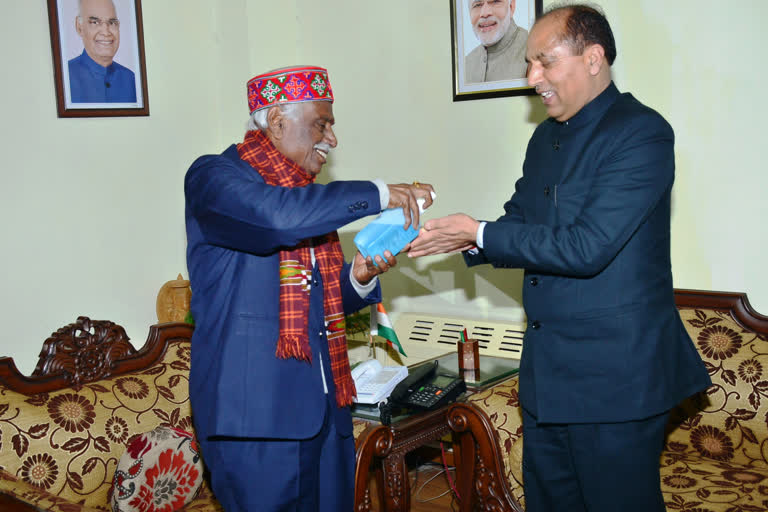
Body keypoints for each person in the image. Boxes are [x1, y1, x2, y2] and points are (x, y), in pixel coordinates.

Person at [411, 5, 711, 511]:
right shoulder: (544, 137)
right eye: (530, 63)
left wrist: (480, 232)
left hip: (615, 378)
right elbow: (520, 223)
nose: (533, 78)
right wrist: (464, 239)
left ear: (593, 59)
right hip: (548, 375)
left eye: (544, 62)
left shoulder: (641, 133)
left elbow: (587, 246)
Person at [184, 65, 434, 511]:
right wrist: (380, 192)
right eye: (322, 124)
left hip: (325, 415)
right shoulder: (214, 178)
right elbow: (276, 219)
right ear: (278, 121)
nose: (332, 140)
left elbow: (312, 298)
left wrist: (358, 277)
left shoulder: (306, 199)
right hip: (256, 424)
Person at [68, 0, 136, 103]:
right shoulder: (65, 77)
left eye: (112, 23)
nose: (106, 32)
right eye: (95, 22)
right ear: (79, 27)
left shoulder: (131, 79)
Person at [465, 0, 528, 83]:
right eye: (477, 5)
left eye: (495, 2)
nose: (485, 13)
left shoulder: (532, 51)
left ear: (511, 7)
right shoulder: (466, 65)